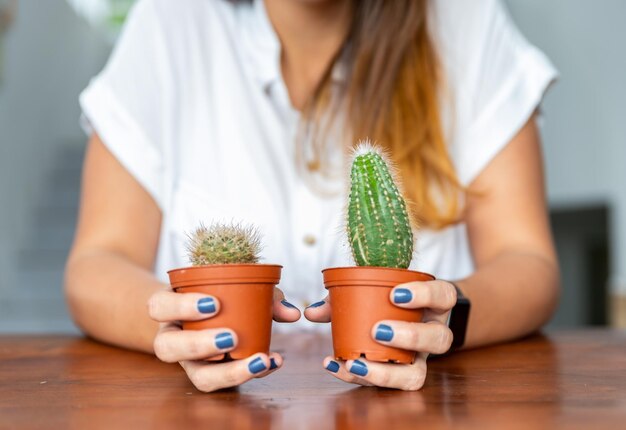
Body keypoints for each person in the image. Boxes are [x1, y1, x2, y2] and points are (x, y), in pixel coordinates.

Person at [65, 0, 560, 392]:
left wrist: (448, 316)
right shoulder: (168, 23)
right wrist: (181, 332)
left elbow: (527, 261)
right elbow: (97, 262)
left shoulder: (464, 20)